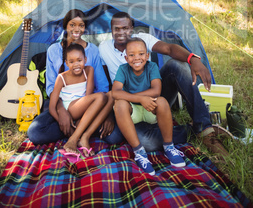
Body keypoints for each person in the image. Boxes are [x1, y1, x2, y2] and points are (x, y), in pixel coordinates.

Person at [99, 11, 229, 157]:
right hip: (129, 105)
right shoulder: (104, 48)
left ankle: (205, 128)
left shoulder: (143, 40)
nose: (121, 32)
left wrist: (193, 59)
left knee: (177, 66)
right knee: (134, 141)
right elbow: (109, 85)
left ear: (132, 28)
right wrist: (110, 114)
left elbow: (169, 48)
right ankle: (192, 131)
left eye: (125, 28)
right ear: (111, 30)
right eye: (116, 28)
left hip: (154, 97)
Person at [27, 9, 113, 145]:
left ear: (85, 28)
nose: (76, 29)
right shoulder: (54, 50)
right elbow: (50, 86)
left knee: (114, 137)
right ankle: (76, 129)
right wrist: (61, 111)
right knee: (35, 133)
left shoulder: (92, 51)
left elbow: (102, 86)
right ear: (65, 26)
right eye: (72, 25)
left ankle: (77, 128)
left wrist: (87, 109)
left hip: (88, 104)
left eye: (81, 25)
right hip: (61, 103)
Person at [112, 38, 186, 175]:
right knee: (120, 104)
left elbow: (156, 91)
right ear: (126, 57)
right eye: (132, 55)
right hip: (132, 111)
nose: (136, 58)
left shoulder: (151, 67)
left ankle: (169, 146)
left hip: (149, 108)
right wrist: (139, 98)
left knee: (162, 101)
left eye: (141, 54)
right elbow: (115, 92)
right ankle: (139, 152)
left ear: (147, 55)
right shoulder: (123, 69)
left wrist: (140, 98)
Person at [49, 43, 111, 157]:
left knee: (110, 96)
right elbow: (52, 107)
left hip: (82, 105)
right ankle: (73, 139)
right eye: (71, 62)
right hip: (70, 109)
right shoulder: (61, 77)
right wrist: (63, 123)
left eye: (79, 60)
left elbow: (88, 96)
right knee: (101, 96)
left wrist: (82, 118)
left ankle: (85, 136)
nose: (76, 64)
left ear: (85, 59)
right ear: (66, 63)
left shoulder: (89, 70)